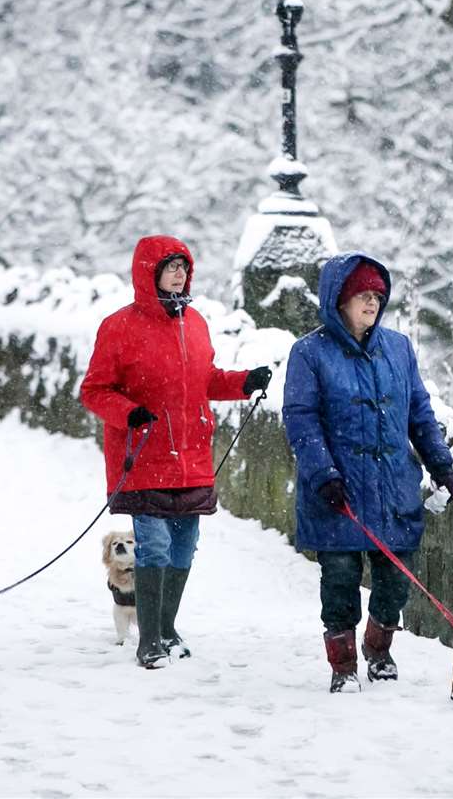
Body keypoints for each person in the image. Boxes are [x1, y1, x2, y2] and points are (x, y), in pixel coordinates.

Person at [80, 235, 272, 669]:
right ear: (148, 273)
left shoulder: (196, 323)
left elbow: (207, 380)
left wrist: (243, 383)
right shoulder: (119, 326)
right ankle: (148, 640)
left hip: (192, 456)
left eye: (184, 266)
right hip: (145, 454)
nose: (179, 274)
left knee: (184, 544)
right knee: (155, 544)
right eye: (170, 267)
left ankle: (167, 629)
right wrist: (128, 413)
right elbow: (94, 391)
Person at [282, 251, 453, 692]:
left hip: (391, 489)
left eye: (378, 296)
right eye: (363, 295)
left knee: (395, 579)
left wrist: (441, 464)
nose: (372, 304)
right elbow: (301, 418)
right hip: (337, 491)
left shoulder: (398, 349)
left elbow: (419, 410)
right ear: (338, 300)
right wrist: (323, 474)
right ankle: (342, 666)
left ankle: (379, 650)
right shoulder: (308, 353)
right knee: (340, 580)